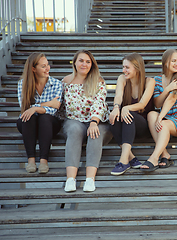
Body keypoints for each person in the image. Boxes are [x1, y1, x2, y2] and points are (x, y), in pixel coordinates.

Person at [62, 50, 112, 192]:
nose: (84, 64)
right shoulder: (66, 81)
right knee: (75, 129)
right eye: (81, 60)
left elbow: (99, 103)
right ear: (75, 62)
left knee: (95, 133)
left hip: (97, 121)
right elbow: (60, 105)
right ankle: (70, 179)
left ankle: (90, 179)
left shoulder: (98, 81)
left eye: (88, 62)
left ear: (92, 65)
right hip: (74, 121)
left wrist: (93, 122)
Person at [140, 49, 177, 172]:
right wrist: (167, 89)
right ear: (165, 62)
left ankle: (154, 158)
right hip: (168, 117)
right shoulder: (158, 80)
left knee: (161, 122)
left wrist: (160, 118)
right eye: (174, 60)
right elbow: (157, 103)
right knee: (151, 115)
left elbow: (171, 99)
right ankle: (165, 154)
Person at [109, 53, 155, 175]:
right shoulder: (122, 79)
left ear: (137, 68)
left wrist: (126, 108)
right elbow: (118, 96)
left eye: (127, 67)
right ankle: (131, 158)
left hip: (143, 126)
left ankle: (123, 161)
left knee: (129, 116)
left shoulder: (149, 81)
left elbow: (142, 104)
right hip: (126, 125)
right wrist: (116, 108)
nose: (124, 70)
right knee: (113, 117)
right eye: (123, 67)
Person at [17, 52, 62, 174]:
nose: (47, 68)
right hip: (29, 124)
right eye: (43, 66)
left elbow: (55, 108)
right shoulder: (23, 84)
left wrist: (35, 108)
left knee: (45, 117)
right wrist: (46, 104)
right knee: (28, 117)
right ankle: (31, 160)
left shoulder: (57, 84)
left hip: (50, 124)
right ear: (33, 69)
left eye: (47, 65)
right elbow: (25, 109)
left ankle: (43, 161)